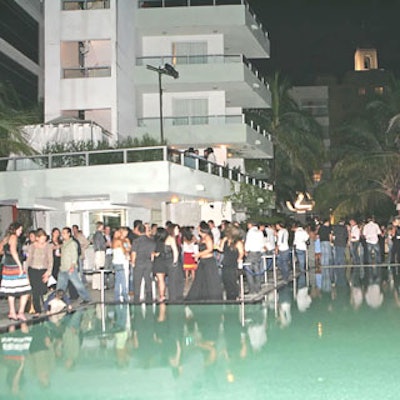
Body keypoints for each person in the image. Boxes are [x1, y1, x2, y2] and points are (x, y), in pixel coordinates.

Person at [0, 222, 32, 321]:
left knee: (11, 291)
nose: (21, 232)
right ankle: (21, 312)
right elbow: (14, 251)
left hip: (7, 266)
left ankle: (12, 312)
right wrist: (19, 265)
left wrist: (6, 254)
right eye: (20, 230)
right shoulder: (13, 237)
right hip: (14, 266)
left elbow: (1, 250)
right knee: (26, 289)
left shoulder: (6, 238)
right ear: (15, 229)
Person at [186, 221, 223, 301]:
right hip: (202, 261)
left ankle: (213, 298)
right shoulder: (201, 238)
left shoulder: (207, 237)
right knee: (200, 280)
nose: (197, 229)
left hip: (209, 261)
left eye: (198, 227)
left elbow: (210, 249)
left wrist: (199, 254)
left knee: (210, 280)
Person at [56, 227, 91, 304]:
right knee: (60, 286)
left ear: (69, 234)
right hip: (63, 268)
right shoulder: (64, 244)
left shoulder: (72, 243)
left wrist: (73, 266)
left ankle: (86, 298)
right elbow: (65, 255)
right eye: (62, 233)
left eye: (64, 233)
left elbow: (74, 256)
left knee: (78, 284)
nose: (63, 235)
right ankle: (59, 301)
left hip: (70, 268)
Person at [26, 228, 54, 317]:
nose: (43, 240)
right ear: (37, 238)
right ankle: (37, 310)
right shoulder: (32, 246)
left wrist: (48, 273)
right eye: (42, 238)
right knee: (35, 291)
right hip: (33, 270)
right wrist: (25, 272)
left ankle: (47, 308)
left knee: (44, 291)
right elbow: (28, 260)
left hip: (43, 270)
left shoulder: (48, 246)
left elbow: (51, 261)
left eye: (45, 238)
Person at [130, 223, 156, 304]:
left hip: (139, 262)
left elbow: (134, 253)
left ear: (138, 231)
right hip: (148, 262)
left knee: (137, 281)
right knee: (148, 280)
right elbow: (152, 254)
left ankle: (136, 298)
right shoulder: (151, 241)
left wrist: (133, 262)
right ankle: (149, 297)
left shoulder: (136, 241)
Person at [218, 224, 244, 300]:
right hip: (225, 263)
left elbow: (241, 252)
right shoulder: (225, 239)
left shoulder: (238, 242)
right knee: (225, 280)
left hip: (233, 263)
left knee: (232, 281)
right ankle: (229, 296)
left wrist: (239, 259)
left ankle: (234, 296)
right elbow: (221, 249)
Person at [244, 221, 265, 294]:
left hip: (251, 252)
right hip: (258, 252)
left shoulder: (250, 232)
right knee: (257, 270)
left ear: (251, 224)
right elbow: (262, 243)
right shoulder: (260, 232)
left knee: (248, 270)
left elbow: (248, 242)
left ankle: (251, 289)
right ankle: (258, 287)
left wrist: (246, 251)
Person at [112, 227, 131, 303]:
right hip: (119, 262)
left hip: (124, 261)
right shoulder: (118, 241)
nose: (126, 234)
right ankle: (124, 296)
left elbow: (129, 248)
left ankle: (118, 297)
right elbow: (125, 250)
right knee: (122, 280)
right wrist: (127, 250)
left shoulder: (125, 240)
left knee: (120, 280)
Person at [292, 222, 310, 289]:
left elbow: (295, 240)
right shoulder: (304, 231)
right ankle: (303, 269)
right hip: (303, 246)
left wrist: (294, 245)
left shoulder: (297, 232)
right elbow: (307, 238)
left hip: (298, 247)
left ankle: (302, 270)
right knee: (303, 258)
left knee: (300, 259)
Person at [92, 221, 107, 290]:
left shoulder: (95, 234)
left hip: (97, 252)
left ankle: (95, 284)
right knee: (100, 268)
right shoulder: (99, 234)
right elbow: (101, 244)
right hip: (100, 252)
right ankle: (100, 285)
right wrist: (105, 246)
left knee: (96, 268)